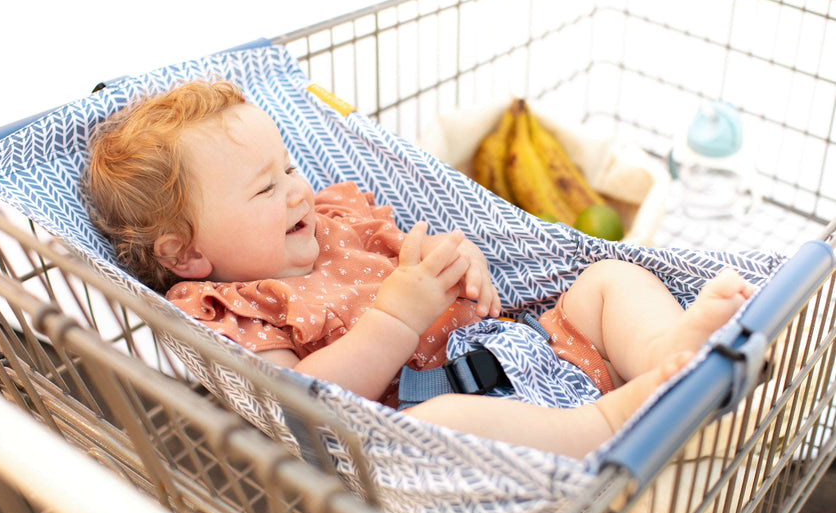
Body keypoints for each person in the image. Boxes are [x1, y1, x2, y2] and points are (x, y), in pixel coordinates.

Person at [83, 80, 754, 459]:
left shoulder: (336, 215)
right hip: (441, 409)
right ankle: (610, 426)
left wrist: (465, 264)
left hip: (532, 346)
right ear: (187, 254)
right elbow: (300, 402)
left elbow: (427, 259)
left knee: (608, 279)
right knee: (449, 421)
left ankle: (669, 348)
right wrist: (397, 316)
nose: (295, 190)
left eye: (288, 166)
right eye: (264, 189)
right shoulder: (232, 306)